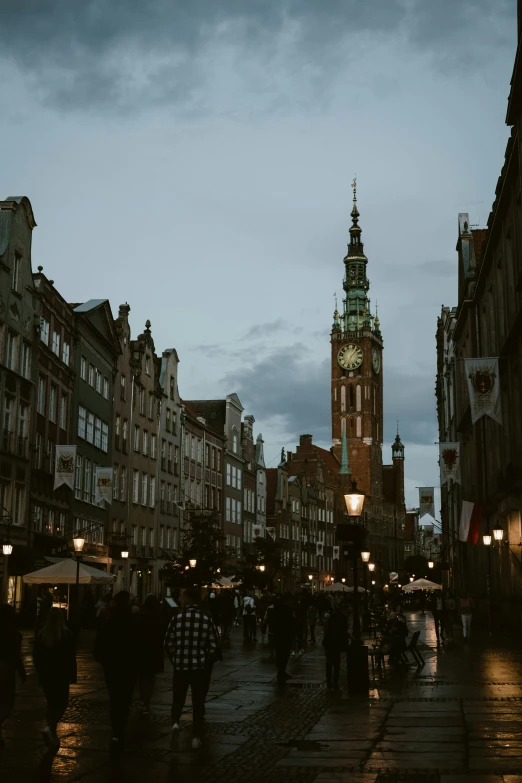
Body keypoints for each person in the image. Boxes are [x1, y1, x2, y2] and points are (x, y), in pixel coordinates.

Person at [165, 587, 221, 751]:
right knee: (198, 701)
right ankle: (196, 736)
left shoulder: (177, 618)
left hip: (181, 666)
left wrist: (176, 657)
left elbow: (168, 642)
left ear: (188, 599)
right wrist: (204, 657)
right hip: (199, 668)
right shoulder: (206, 619)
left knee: (178, 698)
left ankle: (175, 723)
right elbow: (214, 644)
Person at [93, 591, 139, 752]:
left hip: (112, 668)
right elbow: (140, 645)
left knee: (114, 697)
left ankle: (116, 728)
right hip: (129, 667)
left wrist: (105, 663)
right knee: (125, 697)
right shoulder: (133, 622)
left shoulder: (109, 622)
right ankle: (121, 724)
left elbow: (98, 648)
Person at [33, 608, 77, 749]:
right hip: (61, 675)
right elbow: (71, 657)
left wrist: (39, 672)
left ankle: (51, 730)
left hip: (46, 675)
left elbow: (36, 657)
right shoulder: (66, 635)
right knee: (61, 703)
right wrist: (72, 675)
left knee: (51, 701)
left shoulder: (42, 636)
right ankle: (51, 727)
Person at [0, 605, 26, 750]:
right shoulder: (14, 635)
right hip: (6, 669)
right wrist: (21, 672)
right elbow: (16, 655)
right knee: (7, 701)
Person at [136, 594, 165, 716]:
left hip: (140, 650)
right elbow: (163, 634)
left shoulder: (138, 616)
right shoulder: (158, 617)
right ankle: (145, 703)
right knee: (150, 678)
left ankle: (142, 701)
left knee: (141, 678)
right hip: (153, 651)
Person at [322, 603, 349, 691]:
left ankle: (330, 683)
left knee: (329, 664)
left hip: (329, 643)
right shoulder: (342, 618)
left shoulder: (335, 616)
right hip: (334, 644)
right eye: (348, 612)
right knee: (335, 664)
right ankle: (334, 684)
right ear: (345, 610)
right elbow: (341, 632)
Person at [272, 594, 295, 684]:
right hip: (285, 634)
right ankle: (282, 671)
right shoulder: (287, 609)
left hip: (279, 634)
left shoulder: (276, 608)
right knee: (284, 654)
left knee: (280, 654)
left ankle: (280, 671)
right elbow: (291, 621)